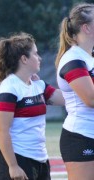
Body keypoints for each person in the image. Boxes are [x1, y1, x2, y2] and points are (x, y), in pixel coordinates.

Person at [0, 32, 64, 180]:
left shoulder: (38, 85)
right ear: (24, 59)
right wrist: (13, 165)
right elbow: (1, 130)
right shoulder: (9, 88)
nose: (40, 58)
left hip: (41, 159)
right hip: (19, 160)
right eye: (36, 54)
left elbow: (68, 98)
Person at [55, 3, 94, 180]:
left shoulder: (88, 57)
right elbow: (91, 99)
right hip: (82, 136)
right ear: (86, 27)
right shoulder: (73, 59)